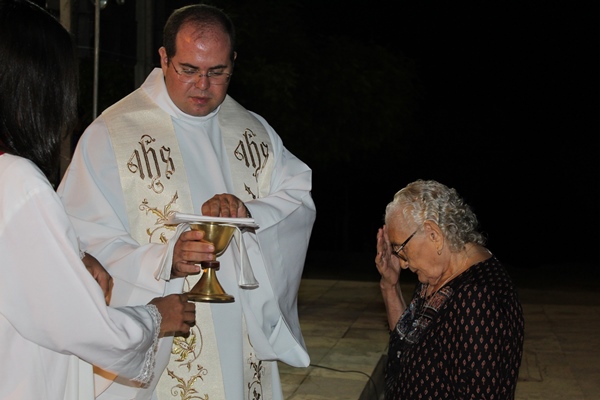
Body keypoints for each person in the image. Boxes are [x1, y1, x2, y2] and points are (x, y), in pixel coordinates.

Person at [57, 3, 316, 399]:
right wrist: (163, 260)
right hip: (162, 330)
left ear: (233, 62)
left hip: (240, 326)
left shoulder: (253, 131)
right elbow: (78, 238)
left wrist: (249, 213)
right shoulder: (111, 133)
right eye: (189, 70)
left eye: (217, 72)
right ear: (164, 59)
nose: (202, 85)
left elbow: (297, 197)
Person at [0, 1, 196, 399]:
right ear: (40, 88)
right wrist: (157, 316)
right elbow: (81, 326)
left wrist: (71, 257)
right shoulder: (17, 181)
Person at [375, 179, 524, 399]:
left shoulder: (477, 297)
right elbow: (405, 341)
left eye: (401, 248)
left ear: (433, 234)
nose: (403, 262)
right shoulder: (437, 275)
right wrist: (390, 285)